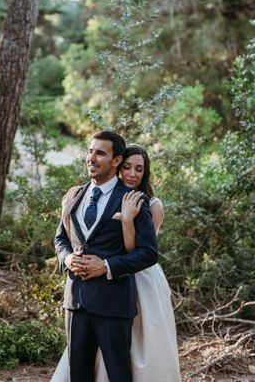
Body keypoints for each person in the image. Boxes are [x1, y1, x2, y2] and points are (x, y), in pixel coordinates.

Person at [52, 144, 181, 382]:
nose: (132, 174)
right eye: (127, 167)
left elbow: (135, 251)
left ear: (145, 173)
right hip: (93, 287)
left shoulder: (150, 204)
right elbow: (72, 240)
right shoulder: (90, 195)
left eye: (139, 169)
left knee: (140, 348)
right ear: (117, 167)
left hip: (139, 277)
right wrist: (65, 218)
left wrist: (127, 220)